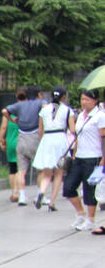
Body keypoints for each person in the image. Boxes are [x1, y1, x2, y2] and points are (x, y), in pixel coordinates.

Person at [65, 87, 105, 233]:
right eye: (82, 99)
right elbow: (78, 137)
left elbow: (103, 138)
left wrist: (103, 159)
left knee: (90, 189)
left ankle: (91, 219)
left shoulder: (100, 116)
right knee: (69, 187)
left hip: (94, 157)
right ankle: (80, 213)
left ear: (95, 101)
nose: (83, 102)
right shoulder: (81, 115)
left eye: (87, 99)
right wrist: (74, 154)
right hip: (79, 156)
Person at [32, 86, 73, 211]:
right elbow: (72, 129)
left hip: (47, 139)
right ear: (64, 96)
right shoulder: (67, 110)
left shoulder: (44, 110)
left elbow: (40, 130)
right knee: (59, 173)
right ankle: (52, 202)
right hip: (60, 138)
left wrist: (42, 142)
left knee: (46, 173)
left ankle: (41, 192)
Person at [2, 85, 43, 205]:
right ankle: (40, 195)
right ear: (38, 95)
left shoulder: (19, 105)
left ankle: (22, 196)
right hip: (35, 138)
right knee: (40, 170)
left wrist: (11, 119)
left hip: (21, 139)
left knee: (21, 170)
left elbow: (4, 111)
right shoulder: (39, 104)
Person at [0, 88, 27, 203]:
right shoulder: (27, 109)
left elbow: (4, 126)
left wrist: (1, 139)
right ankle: (19, 191)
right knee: (21, 168)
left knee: (12, 168)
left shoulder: (10, 109)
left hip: (10, 141)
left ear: (16, 96)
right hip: (22, 141)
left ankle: (13, 192)